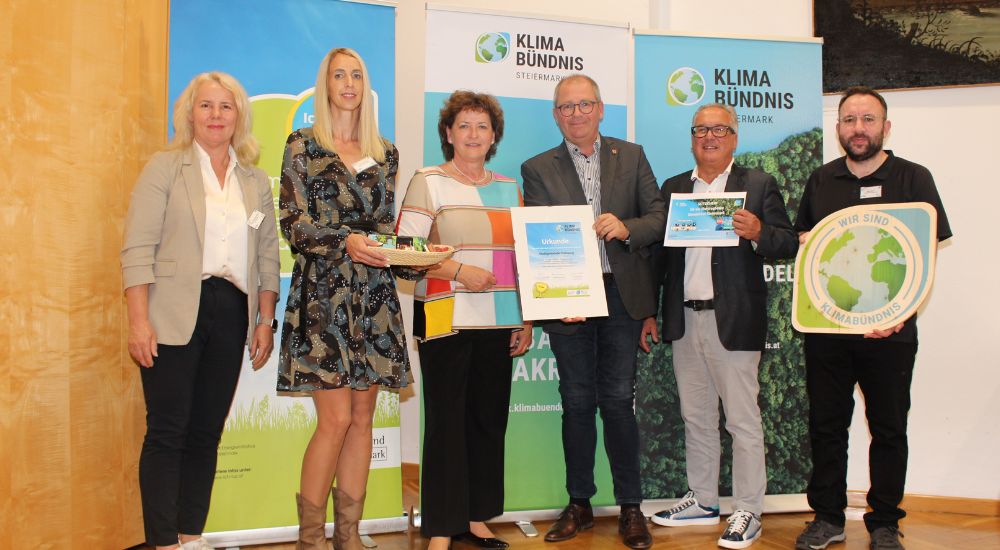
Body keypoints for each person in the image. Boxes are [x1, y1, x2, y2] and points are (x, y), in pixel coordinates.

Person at [121, 71, 280, 550]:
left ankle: (191, 536)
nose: (216, 115)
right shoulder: (164, 168)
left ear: (239, 116)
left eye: (225, 107)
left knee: (206, 432)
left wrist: (265, 320)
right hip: (171, 311)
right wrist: (138, 320)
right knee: (168, 431)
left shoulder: (253, 181)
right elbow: (137, 249)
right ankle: (163, 542)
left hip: (231, 309)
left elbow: (268, 256)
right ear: (189, 113)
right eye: (206, 106)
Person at [792, 86, 951, 550]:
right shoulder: (821, 181)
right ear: (838, 127)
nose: (857, 129)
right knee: (826, 425)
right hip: (828, 331)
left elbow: (923, 254)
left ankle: (884, 522)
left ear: (885, 126)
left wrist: (900, 313)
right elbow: (809, 247)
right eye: (848, 119)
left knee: (888, 428)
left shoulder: (914, 179)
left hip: (891, 332)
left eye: (867, 119)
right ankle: (827, 517)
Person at [639, 103, 798, 549]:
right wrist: (650, 311)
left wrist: (758, 231)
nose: (709, 137)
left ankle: (748, 509)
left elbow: (786, 242)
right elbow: (661, 261)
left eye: (719, 129)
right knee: (696, 416)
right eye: (701, 129)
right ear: (692, 138)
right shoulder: (674, 189)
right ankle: (704, 500)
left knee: (743, 420)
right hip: (684, 318)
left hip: (734, 321)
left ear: (734, 137)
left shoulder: (758, 185)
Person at [276, 47, 414, 550]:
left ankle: (348, 537)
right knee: (333, 421)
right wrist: (345, 241)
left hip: (374, 297)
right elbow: (294, 225)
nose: (349, 83)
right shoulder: (302, 146)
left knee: (362, 419)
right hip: (323, 297)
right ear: (326, 84)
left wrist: (399, 251)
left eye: (357, 74)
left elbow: (383, 226)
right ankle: (311, 540)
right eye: (340, 75)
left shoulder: (387, 152)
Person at [521, 74, 665, 549]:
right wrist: (560, 297)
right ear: (555, 115)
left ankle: (630, 507)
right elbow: (541, 238)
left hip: (622, 296)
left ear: (601, 109)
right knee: (577, 401)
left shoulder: (633, 154)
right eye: (566, 107)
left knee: (619, 402)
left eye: (585, 105)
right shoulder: (537, 167)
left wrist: (625, 227)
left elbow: (660, 218)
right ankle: (579, 503)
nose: (576, 114)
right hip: (570, 301)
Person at [396, 90, 532, 550]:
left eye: (482, 126)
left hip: (499, 321)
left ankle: (475, 519)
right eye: (464, 125)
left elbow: (521, 262)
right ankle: (439, 528)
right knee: (446, 424)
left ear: (494, 136)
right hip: (445, 317)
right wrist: (456, 271)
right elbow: (405, 251)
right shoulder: (427, 181)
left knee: (487, 421)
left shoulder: (511, 188)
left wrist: (525, 318)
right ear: (449, 133)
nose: (473, 134)